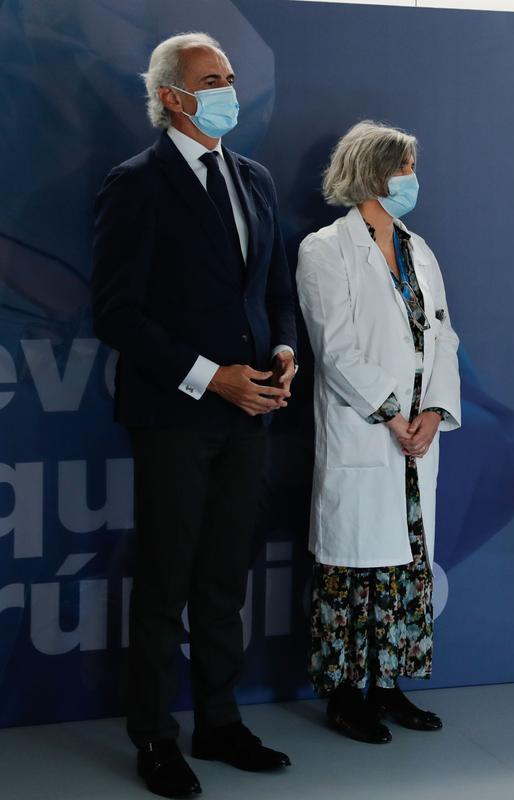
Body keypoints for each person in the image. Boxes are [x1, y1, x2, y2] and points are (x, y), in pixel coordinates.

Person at [91, 32, 296, 798]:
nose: (228, 89)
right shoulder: (136, 184)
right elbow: (116, 314)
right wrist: (215, 380)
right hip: (176, 417)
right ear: (172, 96)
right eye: (212, 79)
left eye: (231, 76)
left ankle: (219, 721)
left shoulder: (256, 180)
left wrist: (283, 352)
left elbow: (275, 291)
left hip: (252, 418)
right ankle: (154, 736)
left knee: (222, 582)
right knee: (166, 581)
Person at [296, 121, 461, 744]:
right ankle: (345, 696)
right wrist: (394, 413)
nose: (413, 178)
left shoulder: (421, 251)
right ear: (372, 172)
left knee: (405, 567)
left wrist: (435, 412)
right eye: (404, 166)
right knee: (356, 571)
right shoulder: (325, 249)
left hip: (417, 442)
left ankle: (389, 688)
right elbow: (335, 349)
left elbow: (443, 336)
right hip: (368, 432)